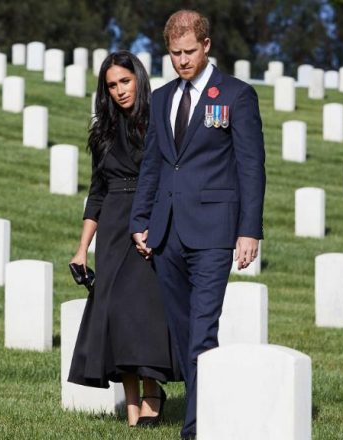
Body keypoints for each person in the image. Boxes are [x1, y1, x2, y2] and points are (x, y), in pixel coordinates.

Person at [129, 10, 266, 440]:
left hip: (213, 233)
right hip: (166, 232)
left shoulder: (237, 96)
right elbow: (152, 163)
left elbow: (251, 166)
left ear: (207, 46)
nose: (183, 60)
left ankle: (197, 429)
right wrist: (141, 220)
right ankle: (213, 409)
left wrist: (250, 230)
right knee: (185, 332)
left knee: (203, 330)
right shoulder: (164, 97)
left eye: (190, 51)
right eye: (175, 54)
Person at [68, 50, 181, 428]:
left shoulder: (158, 121)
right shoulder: (101, 131)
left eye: (125, 81)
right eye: (111, 85)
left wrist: (156, 223)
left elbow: (169, 177)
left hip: (147, 219)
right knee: (115, 314)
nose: (119, 90)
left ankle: (153, 392)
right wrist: (83, 248)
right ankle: (132, 409)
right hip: (113, 226)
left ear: (139, 79)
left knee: (141, 312)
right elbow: (96, 191)